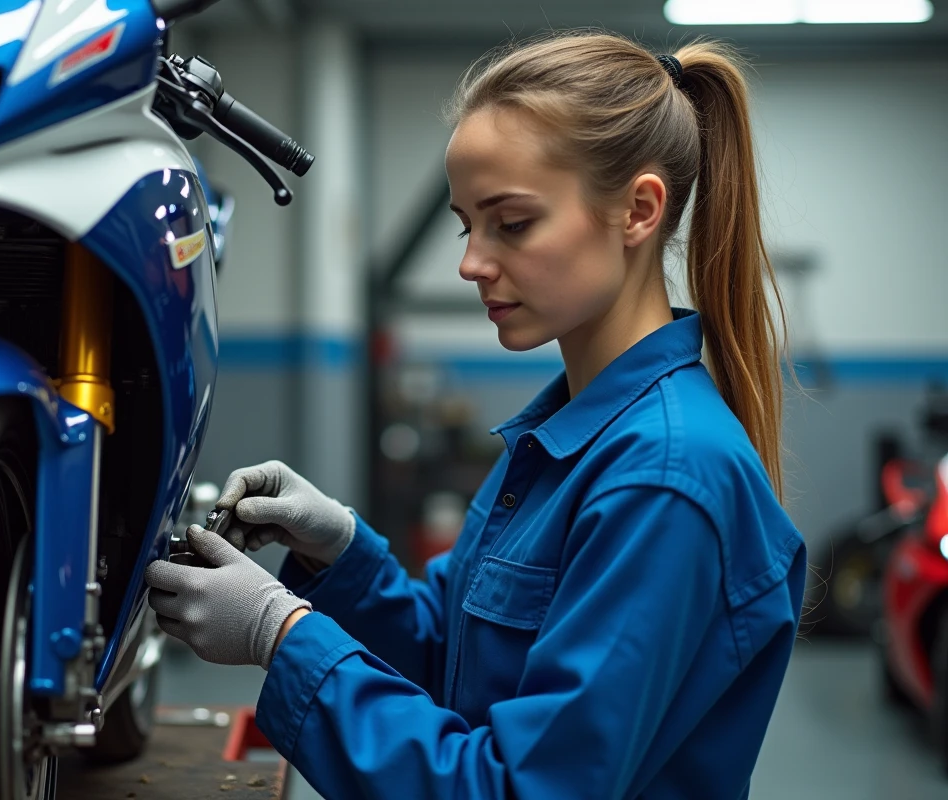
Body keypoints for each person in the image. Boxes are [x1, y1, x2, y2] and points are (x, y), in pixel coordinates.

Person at [145, 31, 806, 800]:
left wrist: (280, 633)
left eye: (512, 223)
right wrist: (339, 554)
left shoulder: (665, 481)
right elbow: (456, 660)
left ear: (638, 210)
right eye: (467, 226)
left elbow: (522, 787)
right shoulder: (565, 440)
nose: (470, 263)